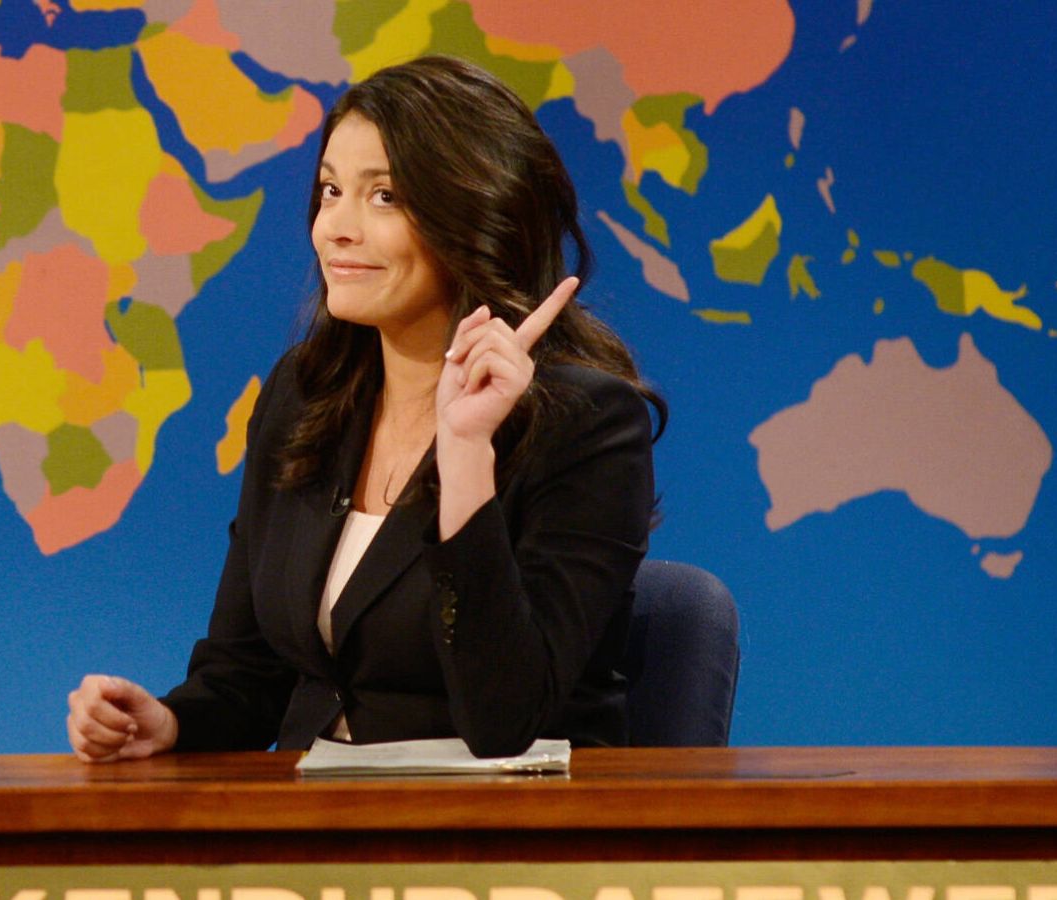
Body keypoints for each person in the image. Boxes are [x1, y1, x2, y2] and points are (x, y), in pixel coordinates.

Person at [66, 55, 664, 760]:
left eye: (384, 197)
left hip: (504, 816)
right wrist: (170, 724)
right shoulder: (305, 394)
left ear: (475, 214)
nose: (336, 228)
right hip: (316, 811)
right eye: (330, 191)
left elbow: (506, 722)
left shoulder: (586, 424)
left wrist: (465, 455)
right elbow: (248, 672)